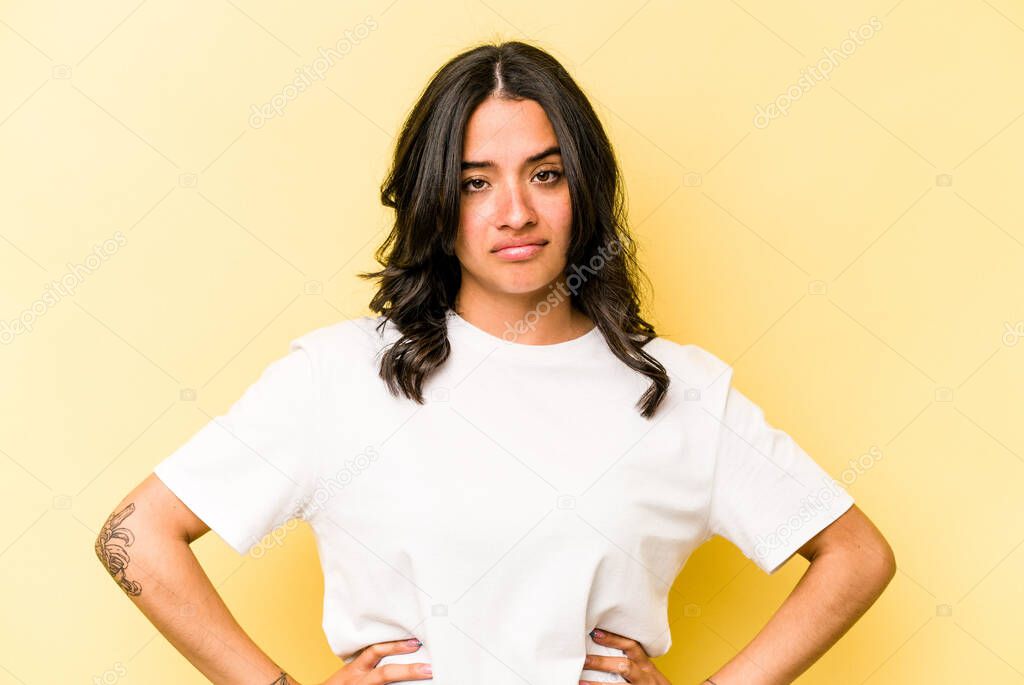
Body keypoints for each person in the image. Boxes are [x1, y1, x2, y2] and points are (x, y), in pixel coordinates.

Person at [94, 40, 896, 685]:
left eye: (545, 174)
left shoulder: (680, 390)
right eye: (476, 183)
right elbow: (135, 534)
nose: (515, 211)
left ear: (583, 186)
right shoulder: (338, 376)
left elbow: (857, 555)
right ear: (436, 202)